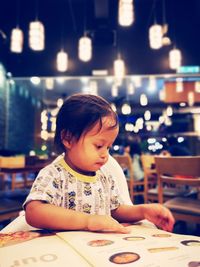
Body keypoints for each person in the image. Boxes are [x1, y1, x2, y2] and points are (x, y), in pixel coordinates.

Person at [24, 93, 174, 233]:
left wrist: (143, 211)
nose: (105, 154)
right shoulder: (54, 175)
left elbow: (116, 210)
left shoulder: (104, 177)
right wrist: (88, 221)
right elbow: (34, 212)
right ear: (68, 138)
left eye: (108, 147)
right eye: (99, 146)